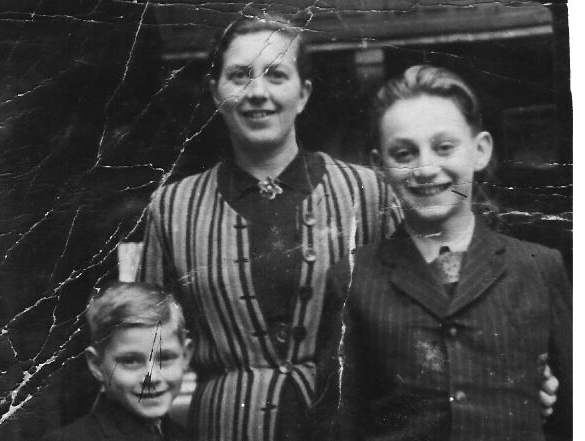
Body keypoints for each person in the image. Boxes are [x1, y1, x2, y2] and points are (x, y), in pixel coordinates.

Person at [138, 13, 398, 441]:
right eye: (239, 76)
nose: (257, 92)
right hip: (223, 429)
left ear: (303, 93)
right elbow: (147, 348)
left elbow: (411, 325)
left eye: (276, 75)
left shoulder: (367, 193)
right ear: (216, 92)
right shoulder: (173, 207)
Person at [327, 64, 572, 441]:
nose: (426, 168)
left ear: (480, 151)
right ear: (379, 166)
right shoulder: (355, 279)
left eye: (444, 147)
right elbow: (343, 425)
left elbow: (573, 418)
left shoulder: (539, 267)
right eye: (405, 153)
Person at [42, 282, 192, 441]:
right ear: (97, 365)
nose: (151, 377)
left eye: (165, 358)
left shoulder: (185, 436)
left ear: (185, 355)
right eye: (131, 361)